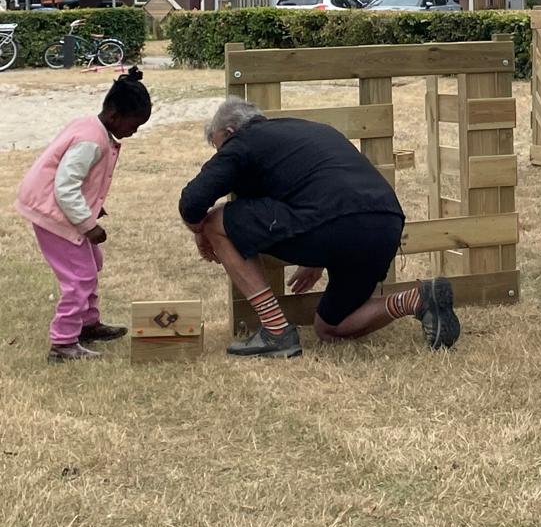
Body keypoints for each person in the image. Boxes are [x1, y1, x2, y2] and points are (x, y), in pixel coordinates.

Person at [179, 99, 458, 358]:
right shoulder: (311, 132)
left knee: (216, 221)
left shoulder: (242, 142)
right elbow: (321, 187)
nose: (220, 154)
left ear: (229, 131)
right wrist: (316, 255)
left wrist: (203, 235)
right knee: (329, 328)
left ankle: (276, 331)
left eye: (218, 146)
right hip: (385, 225)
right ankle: (416, 299)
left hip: (331, 223)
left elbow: (192, 203)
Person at [15, 68, 151, 361]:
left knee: (91, 264)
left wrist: (93, 208)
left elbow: (80, 181)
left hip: (62, 210)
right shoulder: (91, 141)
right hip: (54, 215)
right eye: (134, 124)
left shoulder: (92, 126)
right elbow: (65, 187)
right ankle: (63, 343)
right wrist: (89, 225)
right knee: (79, 277)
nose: (134, 131)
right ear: (114, 115)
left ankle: (87, 324)